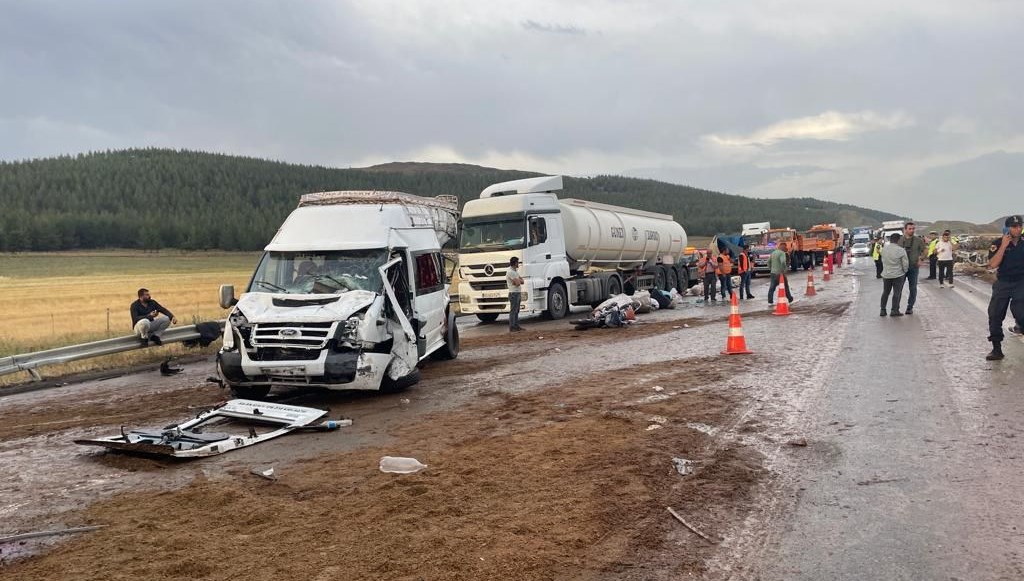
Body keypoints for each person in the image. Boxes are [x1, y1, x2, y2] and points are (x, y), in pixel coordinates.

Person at [984, 215, 1024, 360]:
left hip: (1021, 281)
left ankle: (1020, 326)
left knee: (1020, 310)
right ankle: (996, 350)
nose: (1018, 229)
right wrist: (1003, 246)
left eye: (1020, 226)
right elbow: (993, 264)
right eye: (1014, 227)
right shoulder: (997, 243)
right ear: (1007, 228)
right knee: (995, 314)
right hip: (1003, 282)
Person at [898, 221, 927, 314]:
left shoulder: (918, 240)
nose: (912, 230)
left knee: (913, 288)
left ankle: (910, 307)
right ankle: (896, 308)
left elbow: (925, 250)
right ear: (905, 230)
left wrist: (921, 259)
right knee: (898, 288)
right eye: (910, 229)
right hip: (901, 268)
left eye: (913, 229)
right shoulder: (900, 240)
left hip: (913, 267)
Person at [880, 233, 909, 316]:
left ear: (890, 240)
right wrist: (904, 271)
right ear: (898, 240)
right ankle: (894, 310)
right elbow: (905, 263)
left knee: (885, 292)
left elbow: (883, 260)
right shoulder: (901, 250)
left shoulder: (884, 249)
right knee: (897, 293)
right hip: (898, 275)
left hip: (886, 274)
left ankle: (883, 310)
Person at [506, 257, 525, 332]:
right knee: (513, 310)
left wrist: (517, 281)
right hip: (513, 293)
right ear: (515, 263)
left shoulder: (515, 271)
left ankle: (516, 325)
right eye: (517, 262)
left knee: (516, 310)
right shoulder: (510, 272)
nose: (518, 264)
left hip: (517, 293)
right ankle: (512, 326)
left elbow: (522, 281)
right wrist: (517, 281)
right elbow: (518, 283)